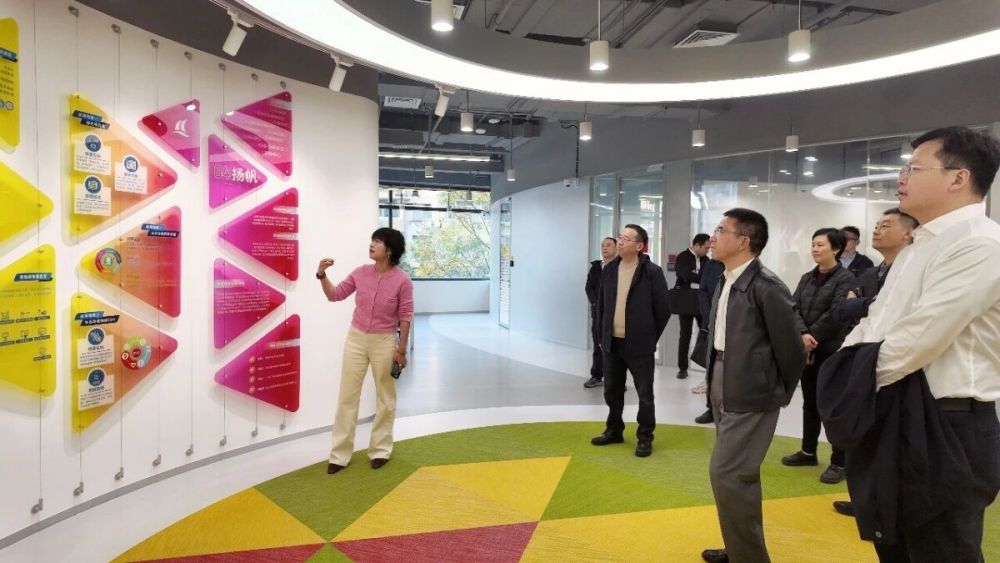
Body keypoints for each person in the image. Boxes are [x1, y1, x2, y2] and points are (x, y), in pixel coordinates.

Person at [839, 127, 1000, 561]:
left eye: (913, 169)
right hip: (897, 411)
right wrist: (852, 368)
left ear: (958, 178)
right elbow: (875, 322)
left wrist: (849, 383)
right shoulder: (918, 245)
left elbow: (920, 338)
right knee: (893, 545)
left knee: (940, 549)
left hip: (948, 425)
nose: (901, 177)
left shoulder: (980, 243)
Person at [701, 208, 805, 563]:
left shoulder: (766, 286)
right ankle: (739, 548)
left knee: (727, 474)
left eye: (721, 230)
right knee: (737, 476)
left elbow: (792, 349)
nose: (713, 237)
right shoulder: (726, 279)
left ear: (743, 241)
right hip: (723, 378)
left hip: (751, 390)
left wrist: (775, 392)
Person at [830, 207, 917, 518]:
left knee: (892, 441)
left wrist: (863, 303)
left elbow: (900, 313)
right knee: (866, 435)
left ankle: (886, 503)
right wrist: (869, 304)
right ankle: (866, 499)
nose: (877, 229)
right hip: (862, 358)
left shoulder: (912, 271)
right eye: (876, 224)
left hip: (894, 365)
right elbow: (841, 310)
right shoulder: (870, 274)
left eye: (886, 224)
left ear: (909, 233)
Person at [317, 228, 414, 474]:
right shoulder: (360, 272)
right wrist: (322, 275)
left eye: (378, 241)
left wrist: (401, 350)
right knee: (347, 396)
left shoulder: (402, 280)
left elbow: (405, 316)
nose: (372, 244)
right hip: (356, 339)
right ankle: (339, 455)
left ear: (390, 250)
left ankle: (380, 450)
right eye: (373, 240)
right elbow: (335, 295)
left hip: (384, 341)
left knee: (385, 397)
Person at [780, 228, 855, 484]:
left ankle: (839, 462)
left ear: (836, 249)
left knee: (832, 406)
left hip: (831, 350)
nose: (815, 249)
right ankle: (808, 451)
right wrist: (803, 333)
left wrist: (813, 337)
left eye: (820, 245)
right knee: (809, 401)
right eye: (813, 244)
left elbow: (838, 313)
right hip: (807, 349)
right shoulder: (807, 277)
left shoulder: (846, 279)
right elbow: (792, 307)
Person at [591, 224, 670, 458]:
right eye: (620, 237)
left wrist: (648, 336)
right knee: (612, 391)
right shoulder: (609, 269)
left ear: (639, 246)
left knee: (645, 394)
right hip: (612, 343)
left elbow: (663, 309)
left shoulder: (652, 272)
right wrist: (602, 336)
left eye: (626, 238)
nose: (620, 241)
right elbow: (602, 306)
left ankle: (645, 437)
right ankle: (614, 430)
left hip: (639, 345)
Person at [673, 233, 710, 379]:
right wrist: (700, 277)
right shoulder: (682, 257)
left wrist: (696, 276)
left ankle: (709, 366)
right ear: (697, 245)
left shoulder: (706, 260)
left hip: (702, 299)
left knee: (706, 332)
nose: (708, 251)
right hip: (686, 300)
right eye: (706, 248)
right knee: (685, 334)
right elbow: (685, 275)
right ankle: (682, 368)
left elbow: (707, 278)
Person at [693, 257, 724, 424]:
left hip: (734, 326)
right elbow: (702, 291)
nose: (712, 245)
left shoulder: (740, 265)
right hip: (711, 324)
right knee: (711, 367)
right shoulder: (711, 265)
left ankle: (729, 411)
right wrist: (709, 317)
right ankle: (711, 408)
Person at [584, 237, 617, 388]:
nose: (605, 248)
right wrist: (596, 303)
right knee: (598, 346)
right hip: (598, 314)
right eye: (603, 245)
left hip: (615, 315)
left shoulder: (620, 267)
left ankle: (616, 380)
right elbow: (588, 287)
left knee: (615, 348)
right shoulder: (596, 267)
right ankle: (596, 376)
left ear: (616, 248)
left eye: (608, 245)